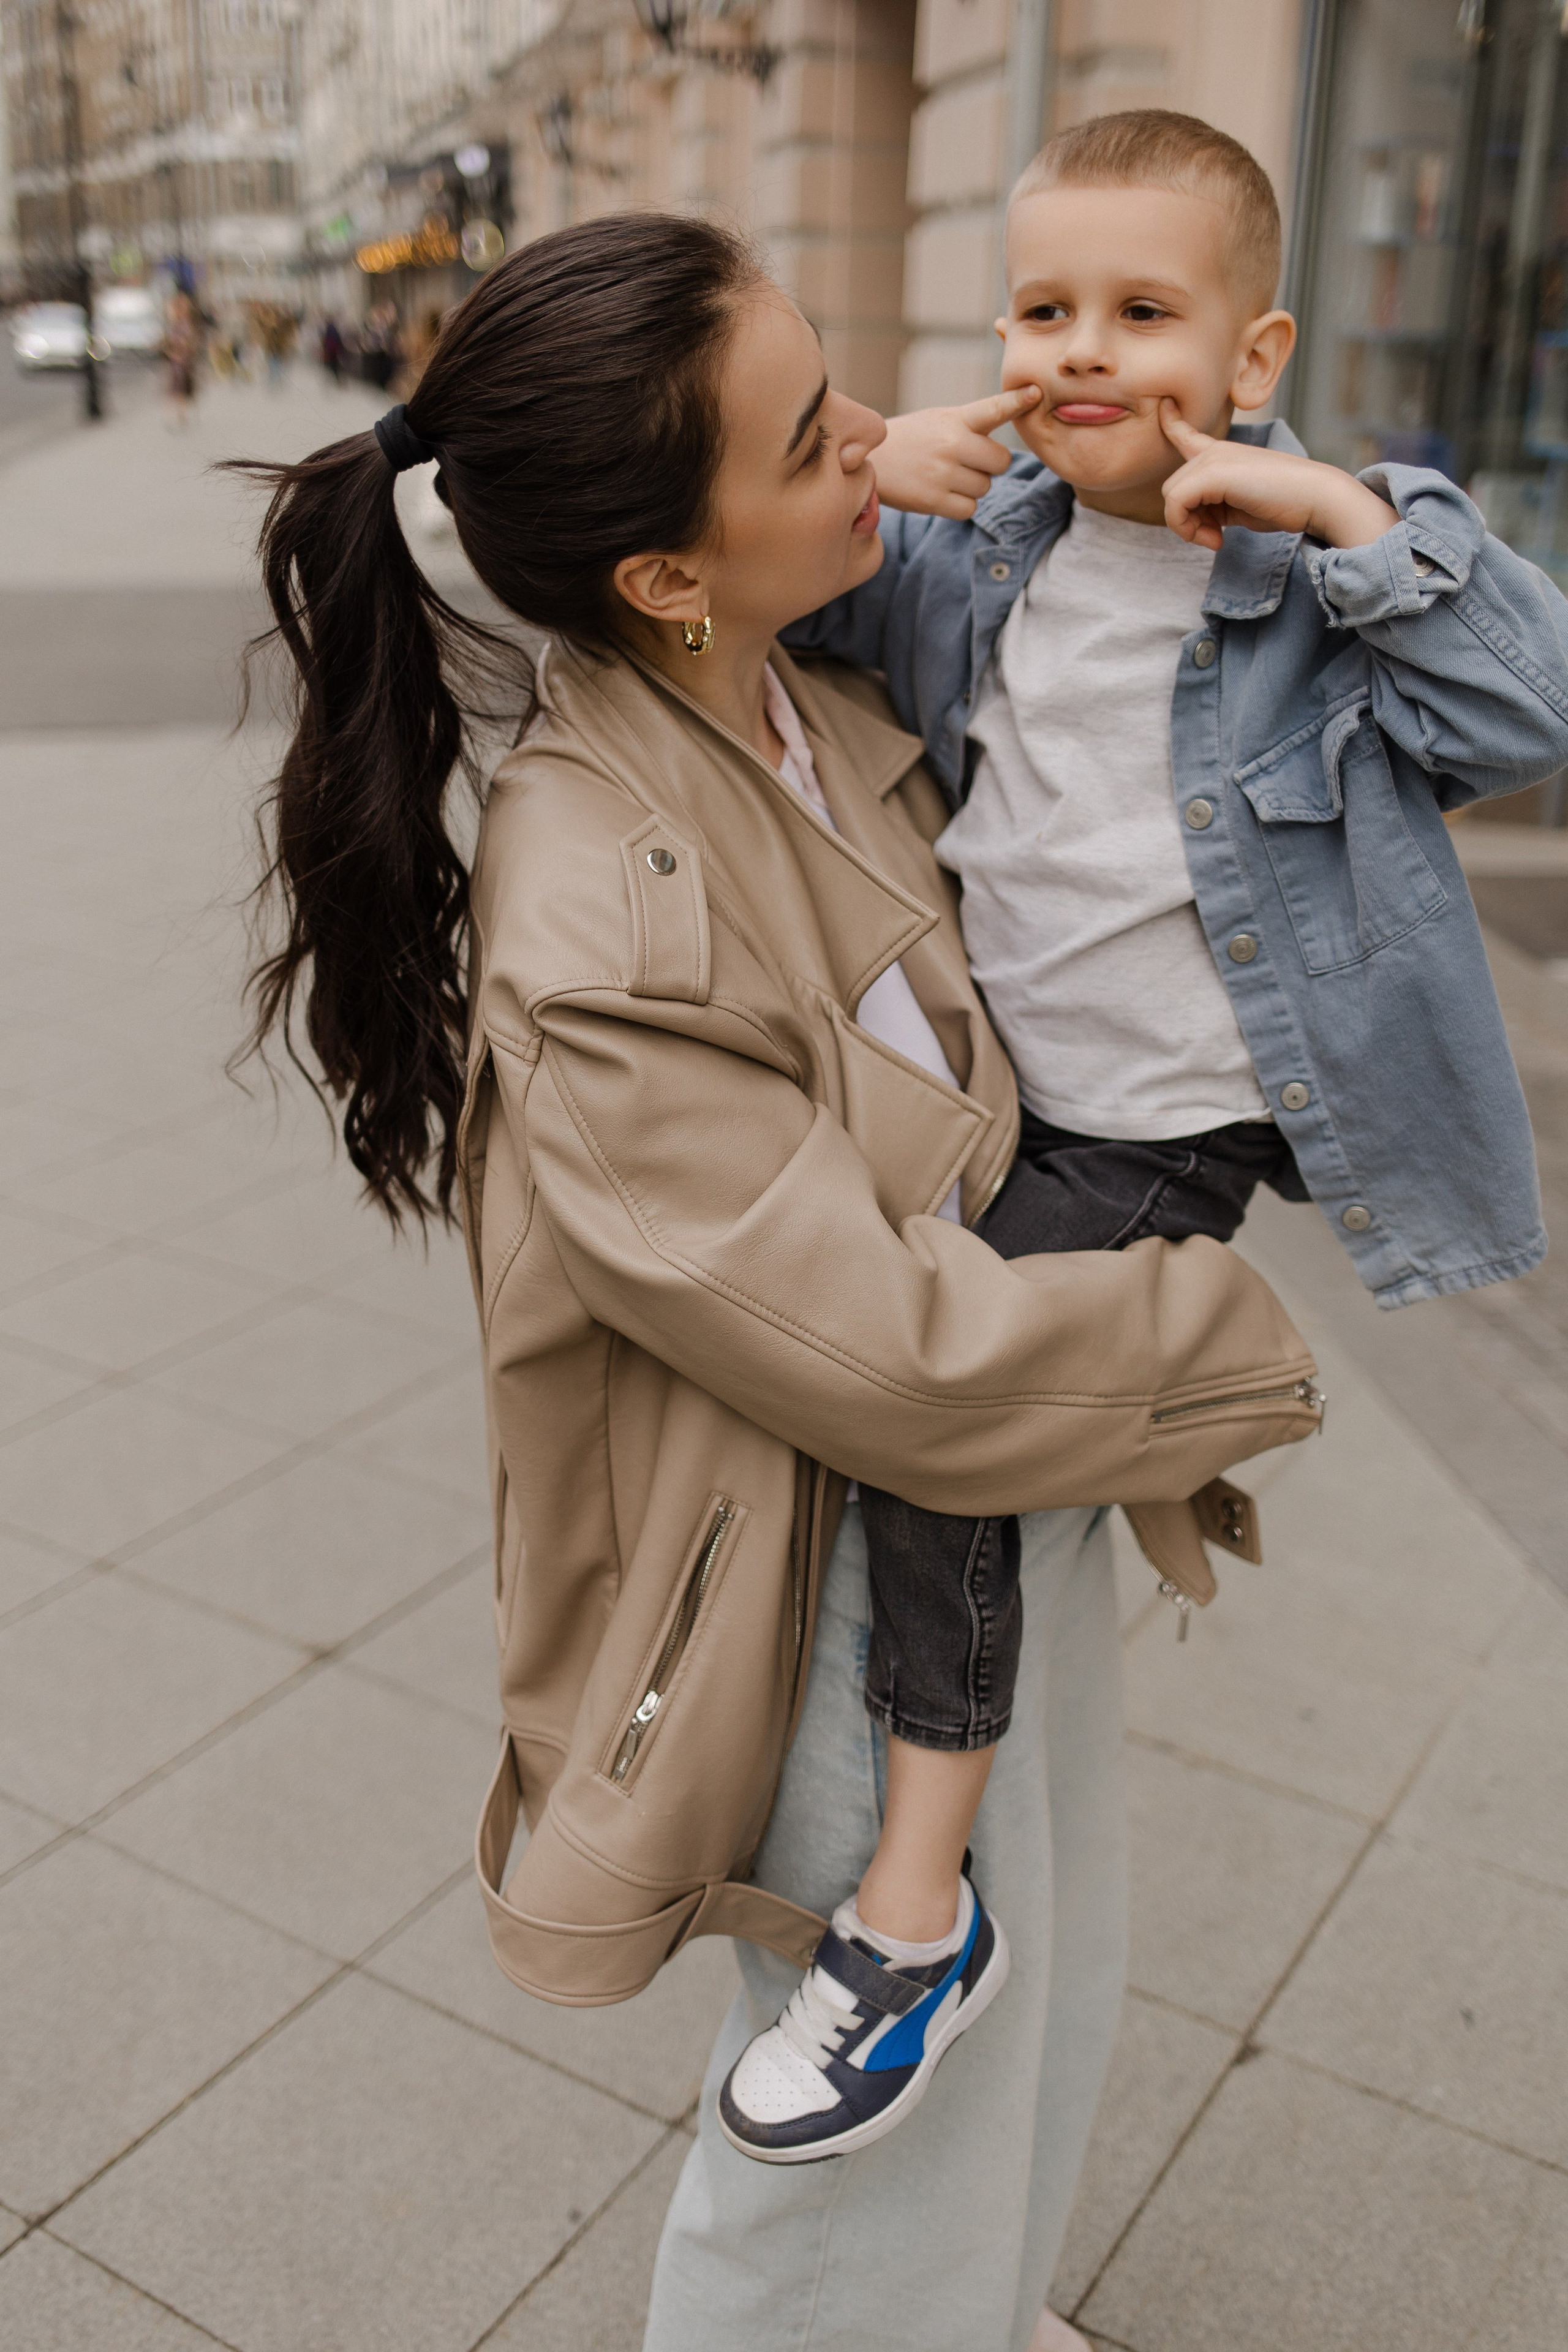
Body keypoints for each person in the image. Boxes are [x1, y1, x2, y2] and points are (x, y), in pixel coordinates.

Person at [230, 212, 1319, 2352]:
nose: (889, 438)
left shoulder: (802, 686)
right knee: (854, 2164)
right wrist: (1225, 1341)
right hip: (814, 1553)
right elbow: (885, 1358)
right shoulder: (596, 905)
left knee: (1047, 1966)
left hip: (1005, 1461)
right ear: (664, 574)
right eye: (820, 432)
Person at [752, 100, 1564, 2171]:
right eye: (1044, 310)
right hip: (999, 1094)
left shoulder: (1321, 569)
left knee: (936, 1414)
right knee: (891, 1363)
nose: (1082, 351)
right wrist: (868, 465)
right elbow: (762, 605)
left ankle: (915, 1916)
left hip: (1167, 1123)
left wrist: (1343, 511)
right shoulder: (986, 548)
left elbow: (1525, 713)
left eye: (1141, 312)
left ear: (1253, 351)